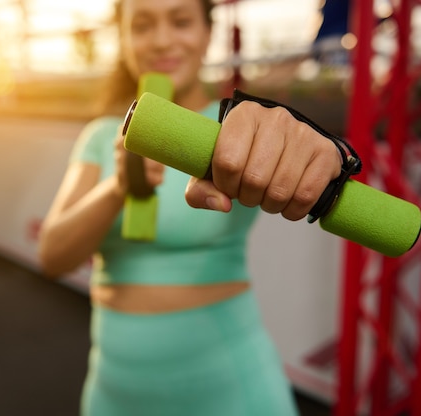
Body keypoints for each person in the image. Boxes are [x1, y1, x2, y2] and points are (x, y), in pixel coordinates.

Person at [38, 0, 347, 414]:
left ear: (207, 33)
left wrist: (326, 154)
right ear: (125, 39)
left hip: (234, 391)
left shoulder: (233, 130)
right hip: (117, 396)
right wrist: (118, 186)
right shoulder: (102, 135)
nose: (162, 40)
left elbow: (288, 149)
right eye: (143, 26)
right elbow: (53, 256)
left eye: (181, 21)